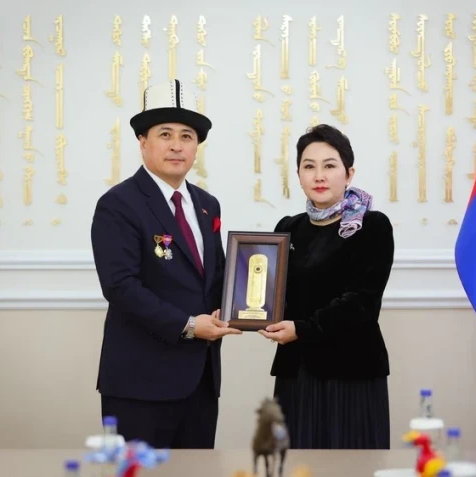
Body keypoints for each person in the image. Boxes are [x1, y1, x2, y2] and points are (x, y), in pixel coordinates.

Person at [90, 79, 241, 449]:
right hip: (141, 383)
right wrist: (188, 326)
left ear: (196, 147)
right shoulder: (118, 204)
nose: (177, 145)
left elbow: (216, 276)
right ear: (143, 142)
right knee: (141, 473)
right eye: (165, 134)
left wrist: (238, 307)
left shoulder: (207, 205)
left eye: (187, 136)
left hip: (201, 380)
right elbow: (120, 286)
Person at [259, 124, 395, 449]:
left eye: (330, 165)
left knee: (351, 466)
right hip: (296, 372)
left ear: (349, 173)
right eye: (309, 166)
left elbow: (362, 302)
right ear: (298, 175)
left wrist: (302, 329)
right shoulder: (287, 228)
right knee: (296, 465)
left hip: (351, 373)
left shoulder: (371, 226)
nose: (319, 176)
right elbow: (272, 294)